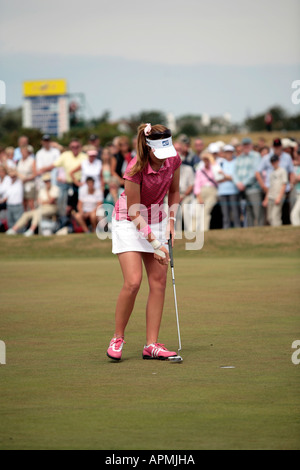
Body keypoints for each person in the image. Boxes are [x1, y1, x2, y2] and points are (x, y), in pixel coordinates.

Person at [107, 123, 181, 362]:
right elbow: (133, 212)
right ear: (149, 149)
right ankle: (118, 337)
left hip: (158, 219)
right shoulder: (134, 169)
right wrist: (156, 244)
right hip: (128, 220)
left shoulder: (173, 160)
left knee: (158, 282)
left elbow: (175, 192)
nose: (164, 158)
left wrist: (171, 223)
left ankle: (151, 344)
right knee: (133, 282)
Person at [40, 139, 88, 214]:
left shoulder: (84, 157)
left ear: (80, 147)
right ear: (70, 147)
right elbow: (54, 165)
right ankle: (64, 219)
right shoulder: (65, 155)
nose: (75, 148)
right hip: (67, 184)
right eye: (73, 147)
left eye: (77, 146)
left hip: (80, 185)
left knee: (80, 205)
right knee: (63, 203)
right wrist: (42, 169)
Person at [256, 138, 295, 224]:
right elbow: (258, 172)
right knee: (271, 216)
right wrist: (263, 186)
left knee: (278, 215)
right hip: (270, 190)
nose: (274, 163)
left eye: (278, 146)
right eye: (272, 162)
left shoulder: (285, 161)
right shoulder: (268, 163)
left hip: (283, 191)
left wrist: (291, 185)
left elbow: (290, 174)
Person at [232, 137, 262, 227]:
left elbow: (254, 172)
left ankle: (261, 231)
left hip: (254, 189)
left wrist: (243, 183)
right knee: (248, 213)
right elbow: (234, 173)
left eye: (248, 144)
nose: (246, 146)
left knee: (258, 212)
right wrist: (238, 183)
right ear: (242, 146)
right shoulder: (239, 158)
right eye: (244, 145)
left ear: (251, 145)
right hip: (242, 190)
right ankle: (251, 231)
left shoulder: (256, 156)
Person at [193, 153, 218, 231]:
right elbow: (197, 184)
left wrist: (212, 161)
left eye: (208, 159)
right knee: (196, 212)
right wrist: (198, 196)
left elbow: (218, 177)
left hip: (212, 190)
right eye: (205, 159)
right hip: (202, 191)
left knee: (206, 211)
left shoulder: (215, 168)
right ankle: (193, 231)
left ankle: (204, 230)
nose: (206, 161)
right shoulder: (200, 171)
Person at [218, 145, 240, 229]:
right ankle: (226, 229)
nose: (228, 154)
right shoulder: (221, 163)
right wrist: (229, 177)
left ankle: (238, 228)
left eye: (230, 152)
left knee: (235, 213)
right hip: (222, 191)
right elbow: (218, 178)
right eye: (227, 152)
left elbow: (235, 177)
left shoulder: (236, 162)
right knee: (225, 214)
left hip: (233, 191)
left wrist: (224, 176)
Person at [262, 155, 288, 226]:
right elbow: (270, 187)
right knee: (269, 217)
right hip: (271, 196)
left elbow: (284, 185)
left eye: (275, 161)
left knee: (275, 216)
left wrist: (279, 197)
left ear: (278, 161)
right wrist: (266, 199)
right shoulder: (271, 173)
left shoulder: (282, 171)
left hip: (278, 196)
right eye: (272, 162)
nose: (274, 163)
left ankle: (278, 232)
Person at [17, 145, 36, 211]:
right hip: (21, 185)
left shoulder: (32, 160)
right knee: (23, 203)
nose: (23, 153)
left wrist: (26, 179)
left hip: (29, 185)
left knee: (31, 203)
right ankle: (26, 220)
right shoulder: (19, 161)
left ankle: (33, 219)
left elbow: (35, 174)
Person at [290, 150, 300, 226]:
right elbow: (293, 181)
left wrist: (296, 178)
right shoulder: (297, 167)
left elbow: (297, 179)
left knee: (294, 214)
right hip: (297, 193)